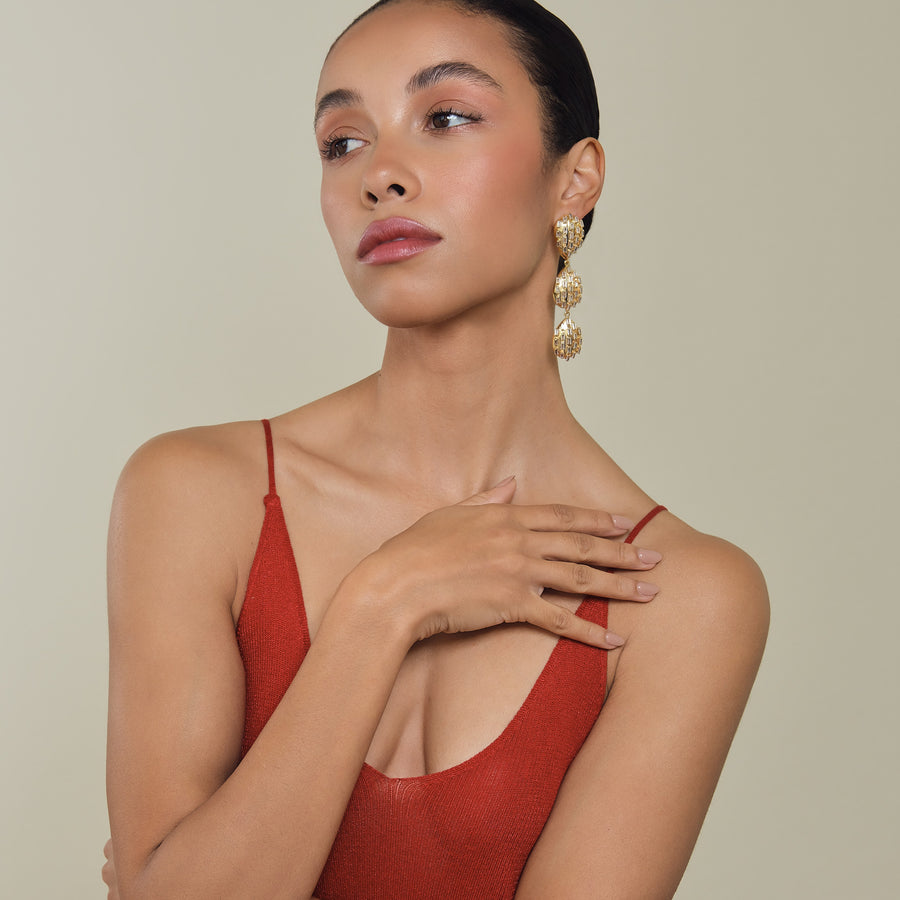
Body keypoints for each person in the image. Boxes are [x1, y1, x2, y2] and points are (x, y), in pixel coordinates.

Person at [103, 1, 769, 897]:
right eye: (342, 142)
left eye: (447, 118)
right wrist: (384, 604)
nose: (381, 175)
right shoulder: (195, 494)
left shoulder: (682, 595)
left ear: (575, 179)